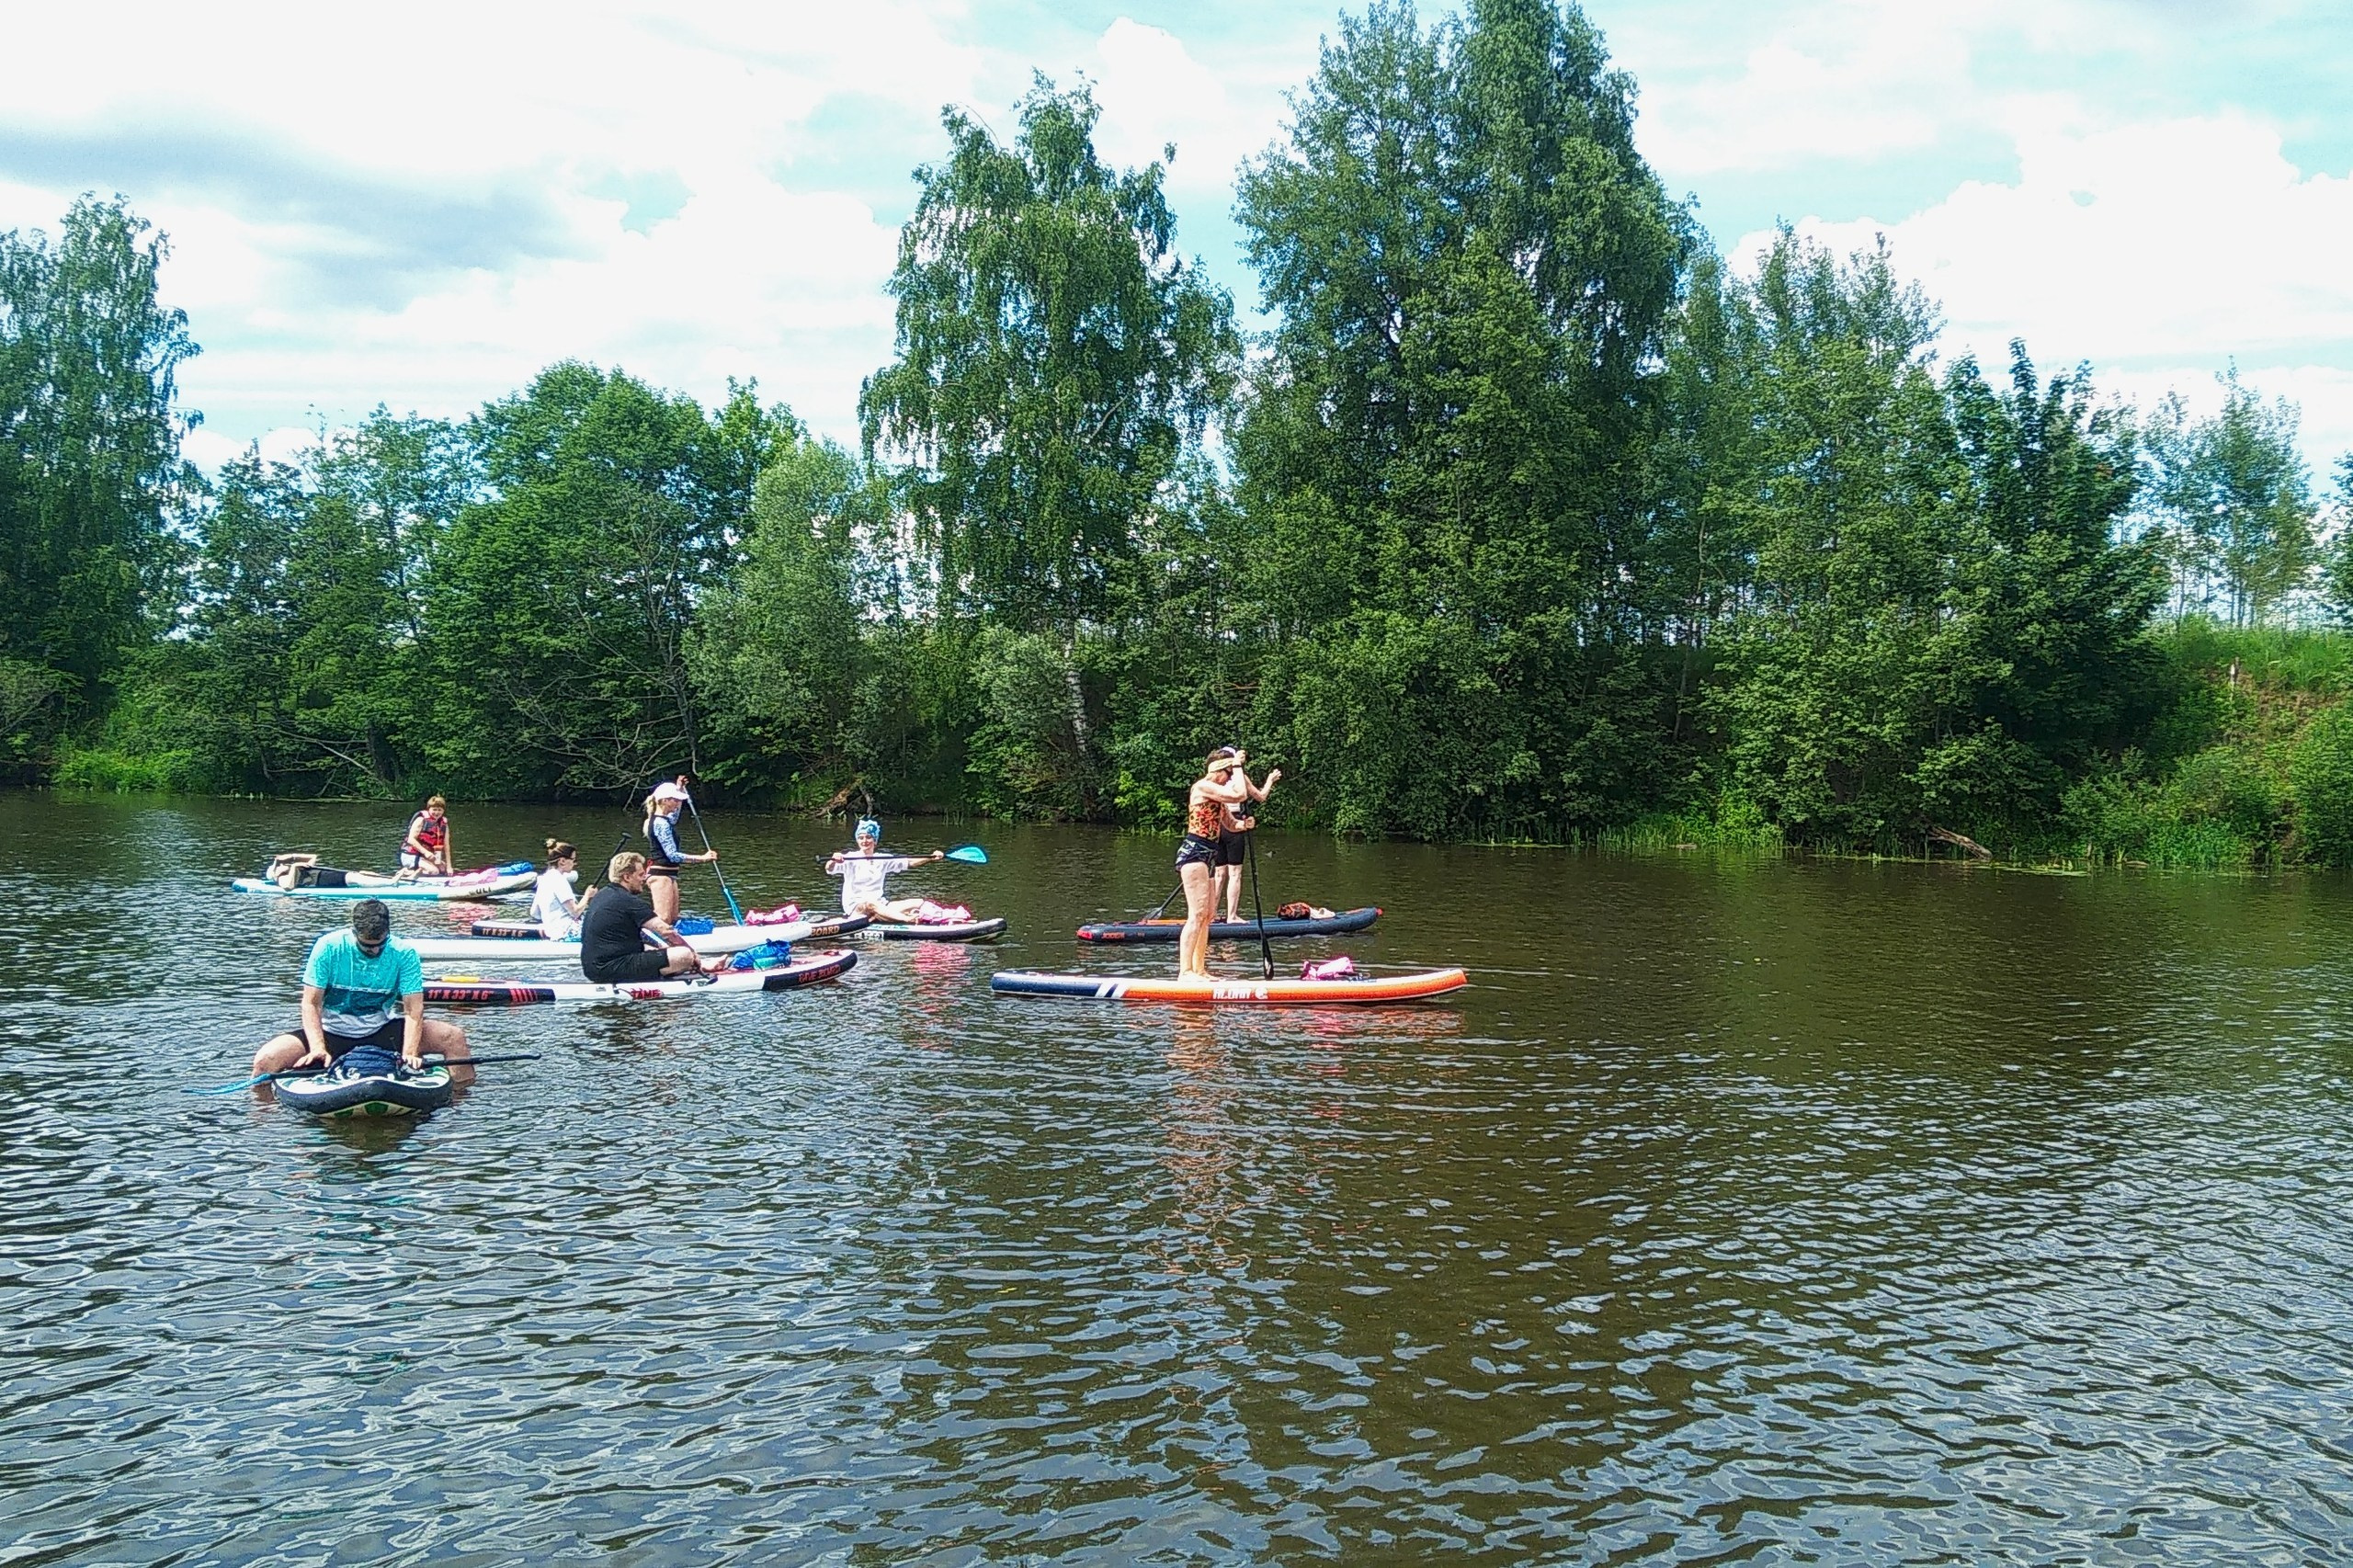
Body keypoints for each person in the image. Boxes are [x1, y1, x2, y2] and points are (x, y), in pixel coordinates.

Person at [248, 899, 474, 1088]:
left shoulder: (404, 953)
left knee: (453, 1037)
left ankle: (460, 1104)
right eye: (367, 946)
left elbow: (413, 1009)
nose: (374, 951)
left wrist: (409, 1054)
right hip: (331, 1034)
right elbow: (311, 1004)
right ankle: (262, 1117)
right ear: (354, 932)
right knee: (266, 1060)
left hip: (381, 1030)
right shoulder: (328, 947)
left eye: (380, 945)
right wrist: (317, 1048)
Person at [1176, 749, 1253, 980]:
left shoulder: (1217, 798)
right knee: (1197, 914)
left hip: (1209, 855)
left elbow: (1230, 824)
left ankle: (1199, 969)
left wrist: (1244, 825)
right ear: (1219, 770)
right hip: (1194, 853)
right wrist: (1237, 766)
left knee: (1208, 915)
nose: (1229, 779)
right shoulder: (1202, 787)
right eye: (1228, 774)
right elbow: (1239, 794)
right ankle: (1185, 971)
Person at [579, 851, 701, 983]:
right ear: (627, 877)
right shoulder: (629, 901)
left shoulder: (602, 895)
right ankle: (689, 966)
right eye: (641, 874)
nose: (644, 878)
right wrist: (694, 956)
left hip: (591, 968)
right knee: (684, 955)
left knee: (656, 948)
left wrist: (663, 948)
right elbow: (667, 932)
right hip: (611, 968)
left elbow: (645, 936)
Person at [1212, 746, 1282, 924]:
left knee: (1219, 874)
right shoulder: (1240, 777)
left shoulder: (1214, 778)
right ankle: (1231, 916)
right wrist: (1270, 780)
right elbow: (1261, 796)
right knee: (1235, 873)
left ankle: (1211, 915)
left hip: (1217, 826)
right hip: (1234, 825)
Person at [825, 819, 944, 922]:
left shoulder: (882, 859)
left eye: (868, 837)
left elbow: (910, 862)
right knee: (871, 904)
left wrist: (931, 857)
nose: (864, 841)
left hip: (881, 904)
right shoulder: (849, 858)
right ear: (857, 841)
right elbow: (829, 868)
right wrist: (833, 860)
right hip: (857, 908)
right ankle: (907, 919)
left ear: (875, 840)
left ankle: (945, 916)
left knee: (918, 902)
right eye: (861, 838)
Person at [642, 781, 718, 926]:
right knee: (664, 919)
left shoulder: (666, 819)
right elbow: (672, 855)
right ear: (665, 801)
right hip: (660, 874)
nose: (678, 803)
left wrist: (680, 789)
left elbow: (675, 816)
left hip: (670, 874)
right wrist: (702, 858)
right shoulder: (660, 823)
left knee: (673, 918)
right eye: (675, 800)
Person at [264, 853, 408, 892]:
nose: (282, 865)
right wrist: (295, 866)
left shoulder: (293, 867)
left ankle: (391, 880)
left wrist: (292, 857)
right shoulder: (282, 878)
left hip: (324, 875)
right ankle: (391, 882)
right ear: (276, 874)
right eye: (279, 867)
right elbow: (288, 887)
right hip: (322, 881)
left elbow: (313, 857)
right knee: (354, 878)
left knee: (359, 874)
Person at [530, 839, 583, 939]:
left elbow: (534, 913)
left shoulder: (544, 879)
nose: (575, 863)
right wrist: (588, 896)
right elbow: (575, 912)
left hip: (551, 933)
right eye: (573, 860)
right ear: (562, 861)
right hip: (567, 934)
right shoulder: (559, 880)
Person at [400, 796, 453, 877]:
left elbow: (446, 846)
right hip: (411, 856)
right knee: (434, 871)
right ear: (429, 809)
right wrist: (426, 852)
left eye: (439, 810)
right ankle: (407, 872)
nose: (437, 812)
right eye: (434, 809)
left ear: (443, 811)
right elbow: (411, 839)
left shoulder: (444, 824)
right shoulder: (421, 820)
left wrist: (449, 866)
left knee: (443, 869)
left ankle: (421, 871)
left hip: (426, 857)